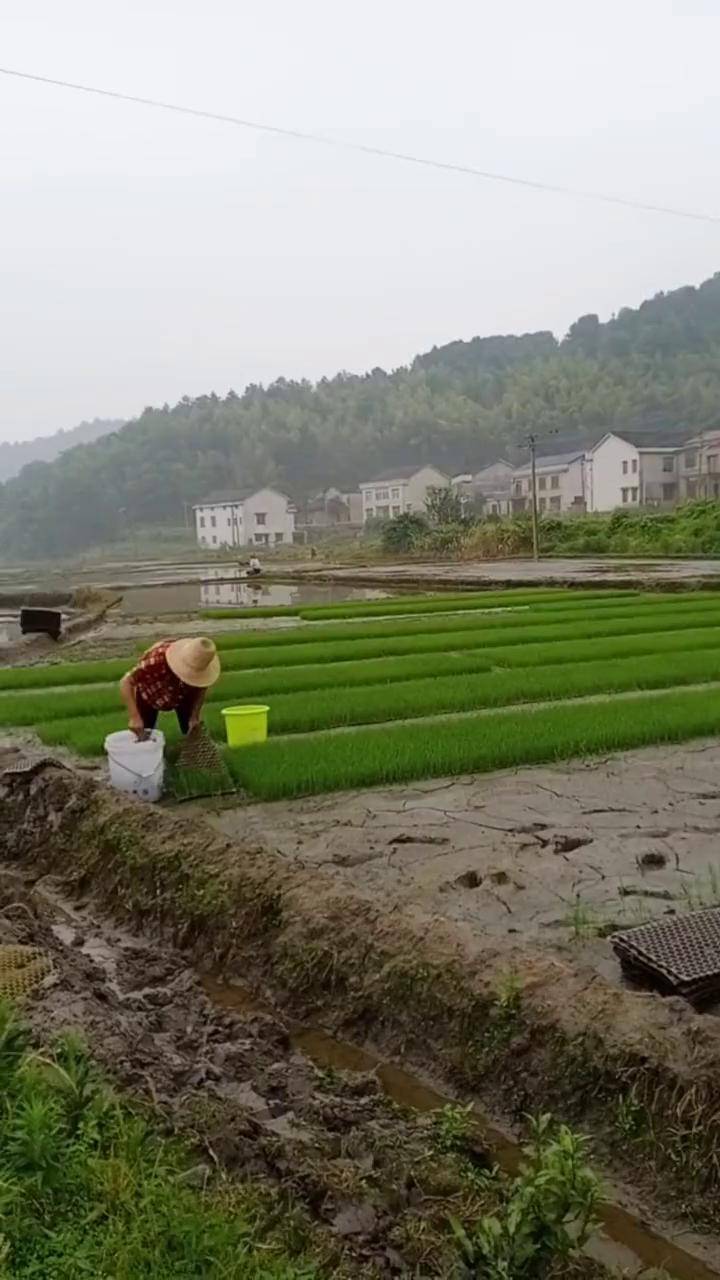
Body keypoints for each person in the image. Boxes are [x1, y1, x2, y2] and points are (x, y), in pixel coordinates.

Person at [120, 637, 221, 739]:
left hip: (182, 694)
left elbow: (201, 689)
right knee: (142, 731)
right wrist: (134, 717)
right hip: (151, 693)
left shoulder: (203, 665)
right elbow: (126, 682)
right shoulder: (155, 660)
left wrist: (194, 716)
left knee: (192, 729)